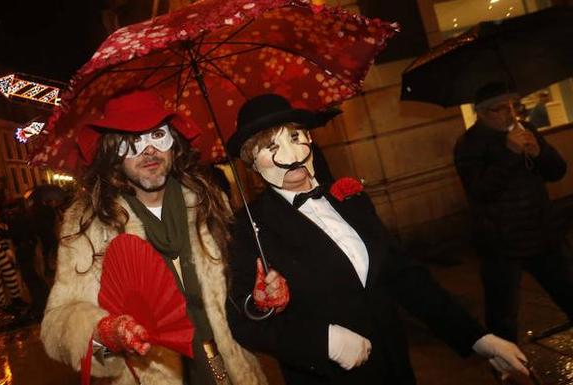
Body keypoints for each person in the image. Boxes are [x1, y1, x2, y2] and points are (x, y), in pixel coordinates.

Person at [225, 93, 530, 385]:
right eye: (270, 147)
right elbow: (247, 319)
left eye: (294, 137)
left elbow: (405, 277)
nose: (289, 156)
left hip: (395, 368)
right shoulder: (249, 228)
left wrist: (477, 338)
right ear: (251, 163)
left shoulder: (350, 199)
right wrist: (323, 341)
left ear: (309, 138)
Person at [40, 90, 267, 385]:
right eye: (132, 142)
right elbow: (57, 323)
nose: (148, 151)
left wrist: (258, 300)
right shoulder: (90, 224)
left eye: (157, 136)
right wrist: (104, 333)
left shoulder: (209, 204)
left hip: (224, 369)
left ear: (174, 145)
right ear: (112, 152)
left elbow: (237, 298)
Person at [454, 82, 572, 342]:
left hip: (543, 234)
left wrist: (539, 152)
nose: (512, 114)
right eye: (502, 108)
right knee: (503, 316)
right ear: (482, 113)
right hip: (501, 244)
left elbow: (557, 171)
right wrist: (509, 154)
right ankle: (510, 370)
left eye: (514, 106)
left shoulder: (526, 129)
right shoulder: (469, 144)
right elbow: (480, 191)